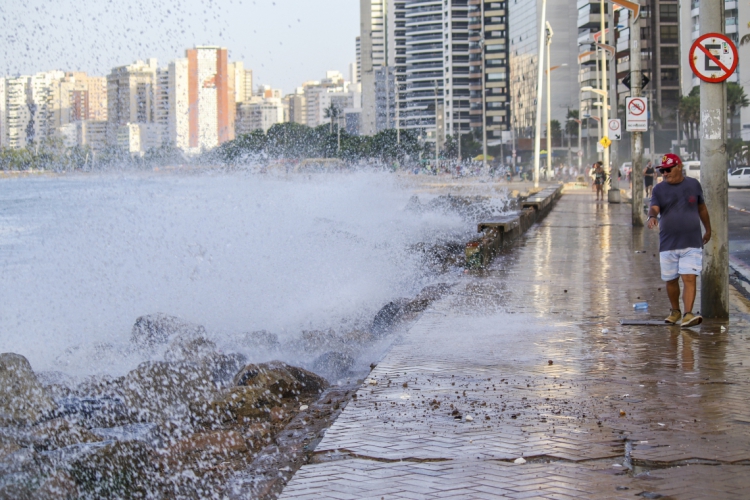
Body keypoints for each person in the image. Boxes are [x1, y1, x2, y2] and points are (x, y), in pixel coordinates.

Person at [647, 153, 711, 328]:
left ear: (679, 167)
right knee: (671, 280)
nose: (665, 174)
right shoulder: (659, 189)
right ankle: (675, 311)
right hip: (668, 243)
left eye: (668, 170)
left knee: (689, 277)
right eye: (662, 171)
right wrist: (651, 217)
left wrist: (708, 229)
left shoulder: (693, 185)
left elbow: (702, 208)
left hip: (692, 242)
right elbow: (654, 207)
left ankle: (688, 313)